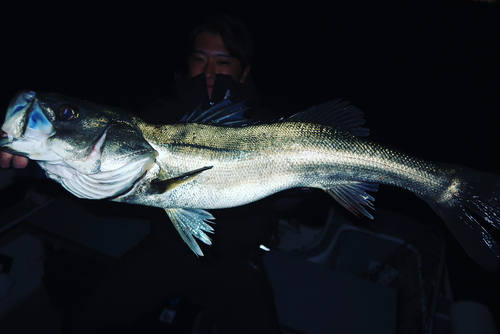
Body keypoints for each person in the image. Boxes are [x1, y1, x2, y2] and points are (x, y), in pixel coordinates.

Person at [16, 15, 279, 334]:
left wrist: (299, 191)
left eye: (222, 61)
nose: (209, 72)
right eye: (199, 59)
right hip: (168, 249)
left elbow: (292, 206)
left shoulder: (270, 127)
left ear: (245, 70)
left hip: (237, 261)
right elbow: (108, 200)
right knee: (83, 322)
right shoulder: (157, 117)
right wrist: (44, 163)